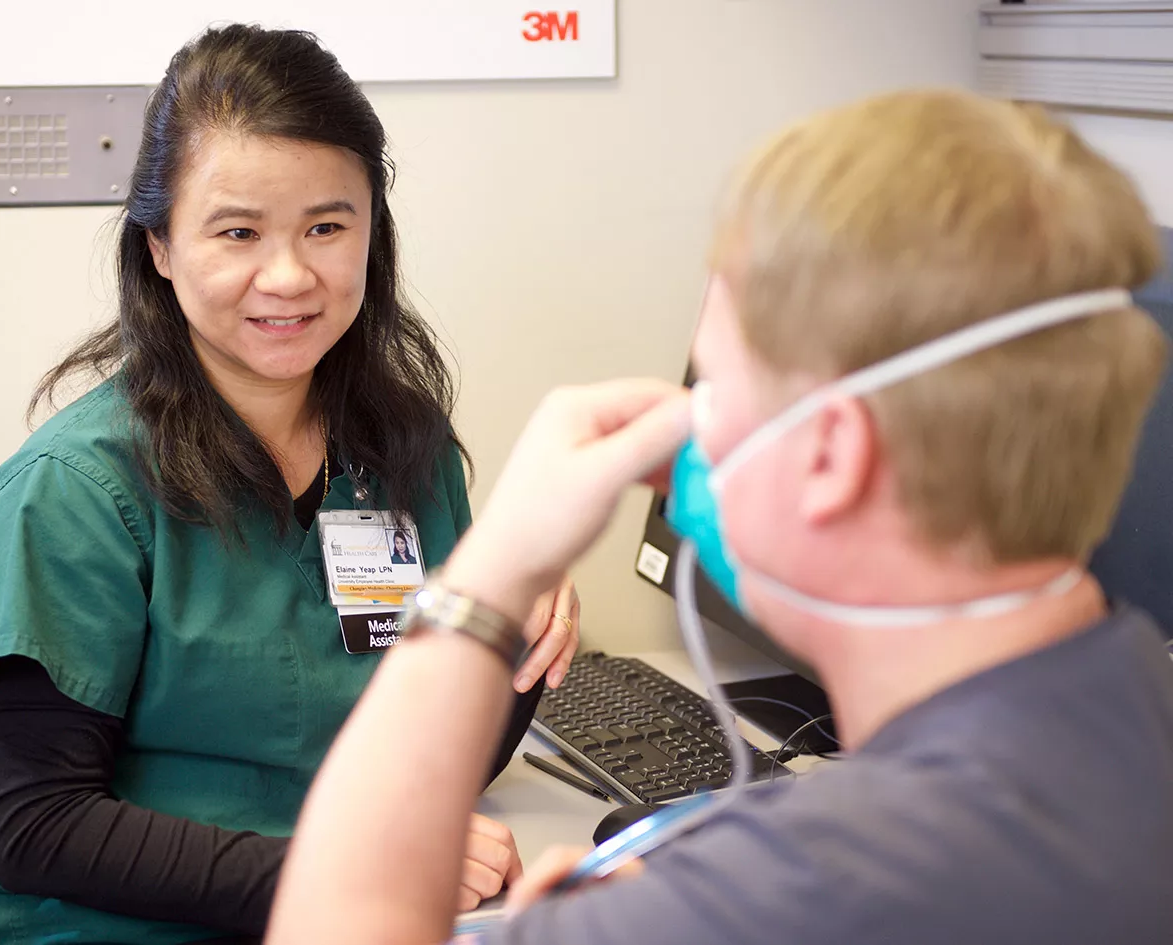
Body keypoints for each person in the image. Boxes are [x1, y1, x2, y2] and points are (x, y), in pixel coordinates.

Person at [267, 90, 1173, 945]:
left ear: (829, 455)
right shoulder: (1133, 686)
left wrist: (489, 577)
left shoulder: (796, 890)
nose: (685, 427)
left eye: (713, 386)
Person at [0, 25, 581, 945]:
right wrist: (363, 869)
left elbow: (436, 753)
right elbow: (37, 828)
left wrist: (516, 621)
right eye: (238, 231)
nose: (291, 275)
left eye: (327, 227)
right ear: (161, 249)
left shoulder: (399, 448)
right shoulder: (74, 494)